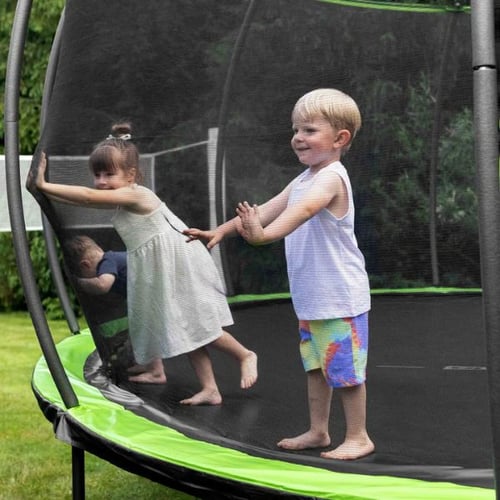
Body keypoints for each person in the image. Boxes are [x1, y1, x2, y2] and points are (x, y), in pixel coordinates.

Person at [185, 88, 374, 459]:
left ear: (340, 139)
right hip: (313, 298)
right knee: (316, 367)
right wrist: (222, 232)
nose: (297, 138)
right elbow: (266, 209)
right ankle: (319, 431)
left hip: (340, 297)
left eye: (308, 130)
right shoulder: (304, 177)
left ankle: (358, 436)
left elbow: (302, 212)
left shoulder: (331, 178)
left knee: (345, 371)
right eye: (295, 130)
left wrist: (264, 236)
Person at [35, 123, 257, 405]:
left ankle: (244, 354)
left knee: (196, 323)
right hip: (156, 265)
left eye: (109, 174)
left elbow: (89, 198)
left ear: (130, 175)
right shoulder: (124, 196)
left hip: (175, 264)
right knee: (185, 326)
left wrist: (44, 185)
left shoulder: (136, 194)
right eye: (97, 174)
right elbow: (94, 196)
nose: (101, 181)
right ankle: (210, 389)